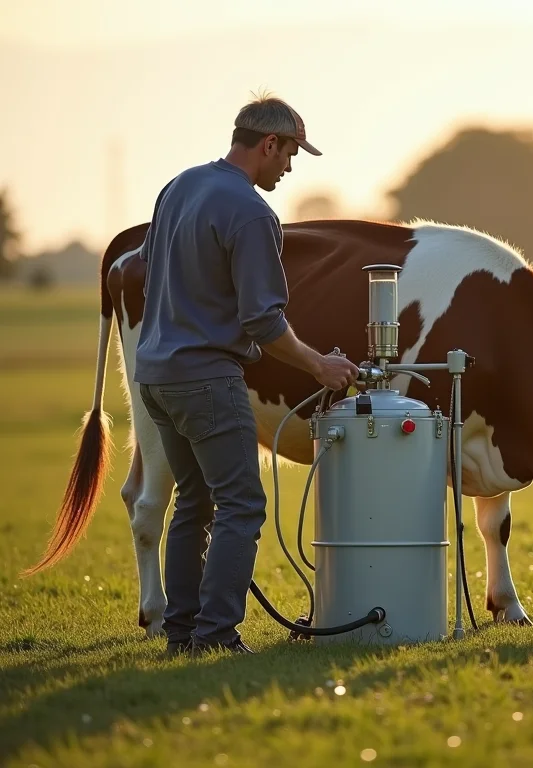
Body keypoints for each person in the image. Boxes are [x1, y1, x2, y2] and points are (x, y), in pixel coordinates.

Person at [134, 94, 359, 656]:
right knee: (241, 503)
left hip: (155, 376)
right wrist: (320, 365)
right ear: (267, 144)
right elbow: (262, 320)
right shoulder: (254, 213)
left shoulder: (179, 186)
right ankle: (216, 636)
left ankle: (181, 635)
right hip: (205, 379)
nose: (289, 167)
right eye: (289, 155)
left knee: (194, 500)